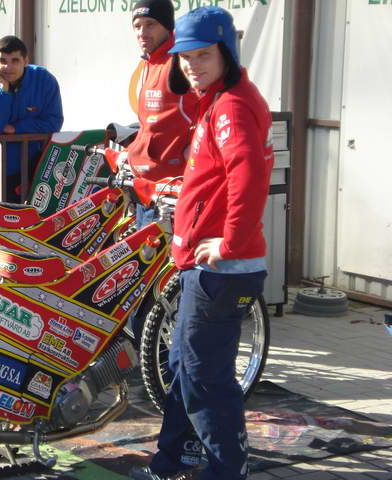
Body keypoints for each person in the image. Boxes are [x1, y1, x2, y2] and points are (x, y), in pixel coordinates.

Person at [130, 6, 274, 480]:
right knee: (181, 366)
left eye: (203, 55)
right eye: (186, 57)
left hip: (221, 269)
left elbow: (249, 177)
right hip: (204, 264)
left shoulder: (230, 105)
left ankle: (225, 468)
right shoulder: (216, 99)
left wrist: (229, 243)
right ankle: (173, 460)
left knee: (203, 376)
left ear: (227, 53)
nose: (192, 65)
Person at [126, 0, 199, 229]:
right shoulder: (150, 62)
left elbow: (208, 110)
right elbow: (152, 124)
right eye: (137, 26)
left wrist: (192, 150)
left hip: (172, 192)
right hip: (146, 188)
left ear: (167, 26)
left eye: (150, 24)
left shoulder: (180, 61)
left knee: (168, 263)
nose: (142, 32)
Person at [0, 35, 64, 202]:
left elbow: (54, 122)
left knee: (30, 221)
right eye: (3, 60)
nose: (8, 67)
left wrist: (17, 128)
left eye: (15, 60)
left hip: (32, 166)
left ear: (26, 61)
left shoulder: (44, 80)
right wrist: (2, 89)